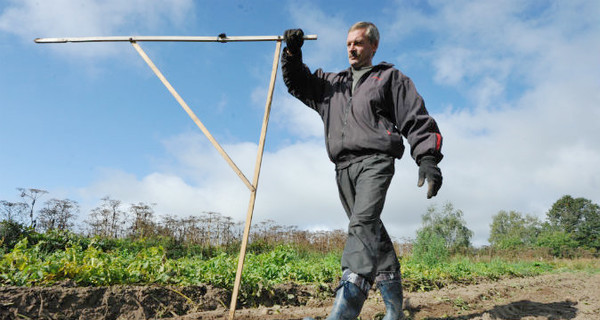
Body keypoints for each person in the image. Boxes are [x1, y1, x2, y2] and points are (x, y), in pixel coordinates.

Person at [282, 22, 443, 320]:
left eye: (358, 43)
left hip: (376, 161)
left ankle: (343, 313)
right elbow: (298, 84)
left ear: (373, 46)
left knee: (362, 226)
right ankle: (395, 310)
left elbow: (415, 118)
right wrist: (292, 53)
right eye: (348, 44)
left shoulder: (389, 78)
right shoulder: (333, 83)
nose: (352, 49)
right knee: (372, 233)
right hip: (343, 167)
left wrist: (428, 159)